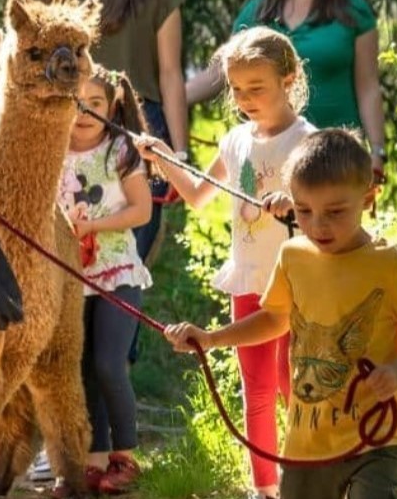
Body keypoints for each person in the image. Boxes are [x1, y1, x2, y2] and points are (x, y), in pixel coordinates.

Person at [164, 129, 397, 498]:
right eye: (304, 211)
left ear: (368, 197)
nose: (318, 225)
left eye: (335, 212)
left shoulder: (391, 265)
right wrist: (212, 338)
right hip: (307, 446)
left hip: (378, 440)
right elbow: (275, 319)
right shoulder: (293, 256)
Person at [136, 26, 315, 499]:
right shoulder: (235, 140)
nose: (244, 98)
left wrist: (294, 204)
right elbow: (196, 194)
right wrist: (161, 157)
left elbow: (324, 208)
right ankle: (265, 489)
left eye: (256, 88)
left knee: (290, 386)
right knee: (254, 388)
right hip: (249, 279)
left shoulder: (307, 139)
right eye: (236, 89)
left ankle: (306, 479)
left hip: (296, 284)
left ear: (289, 78)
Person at [26, 0, 188, 265]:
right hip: (67, 135)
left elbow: (170, 75)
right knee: (62, 269)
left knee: (124, 267)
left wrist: (179, 155)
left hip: (138, 134)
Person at [186, 0, 387, 183]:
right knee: (258, 224)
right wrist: (168, 101)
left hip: (336, 153)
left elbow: (368, 88)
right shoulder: (257, 11)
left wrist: (377, 151)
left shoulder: (355, 12)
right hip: (267, 155)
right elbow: (221, 73)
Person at [55, 65, 152, 496]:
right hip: (71, 278)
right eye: (76, 101)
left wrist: (94, 227)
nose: (84, 111)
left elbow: (142, 211)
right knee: (81, 370)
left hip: (117, 273)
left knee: (110, 363)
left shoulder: (120, 149)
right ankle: (92, 462)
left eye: (94, 103)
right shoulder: (53, 151)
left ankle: (126, 456)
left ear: (112, 105)